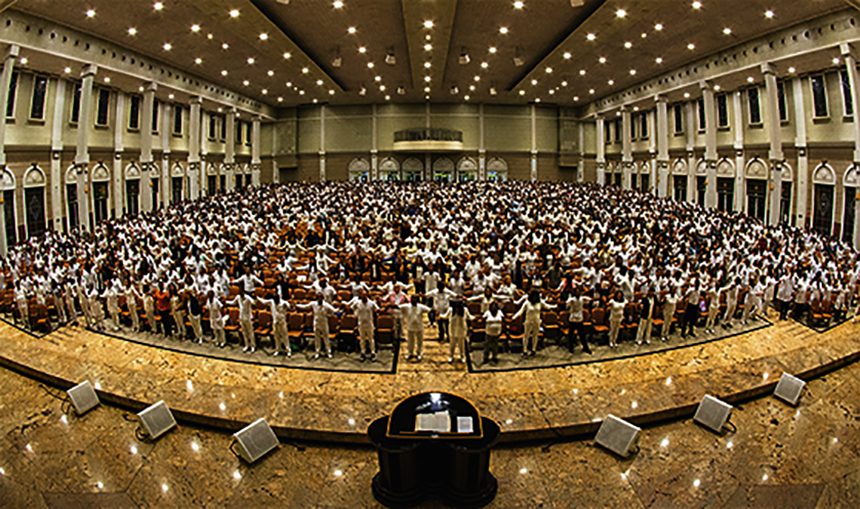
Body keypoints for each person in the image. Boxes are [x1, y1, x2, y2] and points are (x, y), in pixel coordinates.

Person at [512, 290, 555, 356]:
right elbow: (521, 311)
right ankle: (525, 350)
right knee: (526, 336)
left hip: (537, 322)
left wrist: (555, 306)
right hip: (528, 322)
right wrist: (514, 317)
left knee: (535, 336)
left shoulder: (540, 303)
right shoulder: (527, 303)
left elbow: (547, 306)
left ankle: (533, 349)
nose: (534, 298)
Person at [297, 294, 338, 359]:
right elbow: (305, 307)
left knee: (326, 338)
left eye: (320, 298)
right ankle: (317, 352)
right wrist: (297, 305)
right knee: (317, 338)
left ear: (323, 298)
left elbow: (334, 310)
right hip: (316, 323)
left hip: (324, 323)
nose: (319, 299)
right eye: (318, 298)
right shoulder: (313, 304)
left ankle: (328, 352)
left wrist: (340, 308)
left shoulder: (326, 305)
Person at [346, 291, 379, 362]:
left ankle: (372, 353)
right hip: (361, 324)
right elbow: (351, 308)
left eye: (365, 295)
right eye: (362, 295)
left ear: (367, 295)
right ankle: (362, 353)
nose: (364, 296)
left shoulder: (371, 303)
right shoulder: (357, 303)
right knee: (362, 340)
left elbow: (376, 310)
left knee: (371, 339)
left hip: (369, 324)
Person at [259, 292, 292, 357]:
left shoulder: (283, 303)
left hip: (282, 322)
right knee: (276, 337)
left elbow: (290, 307)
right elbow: (264, 302)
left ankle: (288, 350)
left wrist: (292, 306)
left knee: (284, 336)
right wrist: (257, 297)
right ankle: (278, 349)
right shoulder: (272, 302)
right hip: (275, 322)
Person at [399, 295, 431, 361]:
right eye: (412, 299)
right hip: (410, 327)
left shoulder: (421, 306)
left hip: (419, 327)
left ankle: (419, 353)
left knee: (419, 342)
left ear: (417, 300)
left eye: (415, 299)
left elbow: (429, 310)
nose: (413, 300)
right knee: (410, 342)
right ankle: (410, 353)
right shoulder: (407, 306)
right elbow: (398, 307)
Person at [565, 288, 592, 354]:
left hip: (580, 319)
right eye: (576, 292)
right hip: (573, 319)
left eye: (579, 292)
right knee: (571, 335)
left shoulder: (582, 298)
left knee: (582, 335)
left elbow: (590, 299)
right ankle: (571, 348)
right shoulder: (571, 300)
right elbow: (567, 305)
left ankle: (585, 347)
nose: (578, 293)